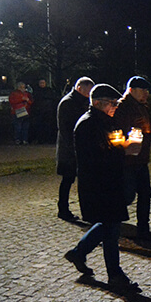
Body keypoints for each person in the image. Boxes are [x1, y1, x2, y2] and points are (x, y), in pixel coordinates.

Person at [63, 83, 141, 293]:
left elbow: (113, 145)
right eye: (112, 103)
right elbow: (97, 156)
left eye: (116, 103)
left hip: (110, 181)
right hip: (99, 185)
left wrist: (126, 145)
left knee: (109, 225)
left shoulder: (105, 121)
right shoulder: (88, 124)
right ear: (98, 103)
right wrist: (124, 150)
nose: (115, 106)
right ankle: (115, 275)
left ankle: (79, 252)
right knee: (111, 229)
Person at [113, 76, 151, 238]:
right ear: (131, 90)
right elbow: (119, 131)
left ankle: (143, 228)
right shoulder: (122, 108)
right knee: (127, 195)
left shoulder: (143, 106)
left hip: (141, 158)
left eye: (146, 90)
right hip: (128, 159)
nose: (146, 93)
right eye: (142, 90)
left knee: (145, 192)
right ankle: (110, 223)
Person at [55, 76, 95, 221]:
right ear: (80, 88)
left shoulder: (81, 102)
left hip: (79, 147)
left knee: (81, 180)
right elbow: (65, 129)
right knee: (68, 179)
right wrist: (74, 147)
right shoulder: (68, 103)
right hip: (70, 149)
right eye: (88, 91)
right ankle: (63, 209)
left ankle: (87, 209)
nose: (89, 94)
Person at [31, 78, 58, 144]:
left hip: (48, 111)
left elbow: (53, 99)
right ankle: (40, 139)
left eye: (43, 83)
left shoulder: (49, 90)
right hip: (39, 112)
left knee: (48, 125)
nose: (42, 84)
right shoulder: (37, 91)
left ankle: (48, 139)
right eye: (41, 83)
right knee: (40, 126)